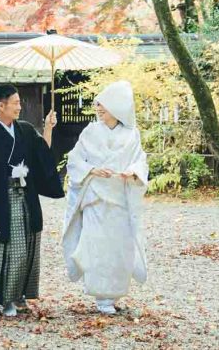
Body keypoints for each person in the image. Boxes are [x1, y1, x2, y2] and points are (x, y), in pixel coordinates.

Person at [0, 83, 65, 317]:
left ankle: (19, 296)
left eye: (19, 102)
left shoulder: (26, 130)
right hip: (1, 200)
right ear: (1, 105)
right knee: (8, 250)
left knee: (27, 246)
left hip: (25, 197)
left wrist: (48, 127)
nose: (20, 106)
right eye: (16, 102)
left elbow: (42, 154)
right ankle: (4, 299)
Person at [61, 80, 149, 315]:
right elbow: (74, 160)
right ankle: (101, 297)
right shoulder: (90, 132)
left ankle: (114, 294)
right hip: (97, 200)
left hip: (120, 198)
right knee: (97, 247)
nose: (98, 109)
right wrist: (91, 170)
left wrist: (134, 172)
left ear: (117, 108)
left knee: (119, 248)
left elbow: (140, 160)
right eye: (97, 105)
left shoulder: (132, 135)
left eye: (103, 105)